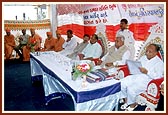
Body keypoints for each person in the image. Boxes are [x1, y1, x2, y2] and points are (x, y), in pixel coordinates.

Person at [120, 44, 164, 111]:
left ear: (155, 53)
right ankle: (126, 100)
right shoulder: (143, 57)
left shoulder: (159, 63)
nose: (147, 53)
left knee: (131, 89)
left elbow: (159, 76)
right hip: (136, 76)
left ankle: (132, 104)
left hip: (147, 80)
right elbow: (137, 65)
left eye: (150, 51)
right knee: (121, 82)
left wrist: (147, 72)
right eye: (146, 51)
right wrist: (133, 67)